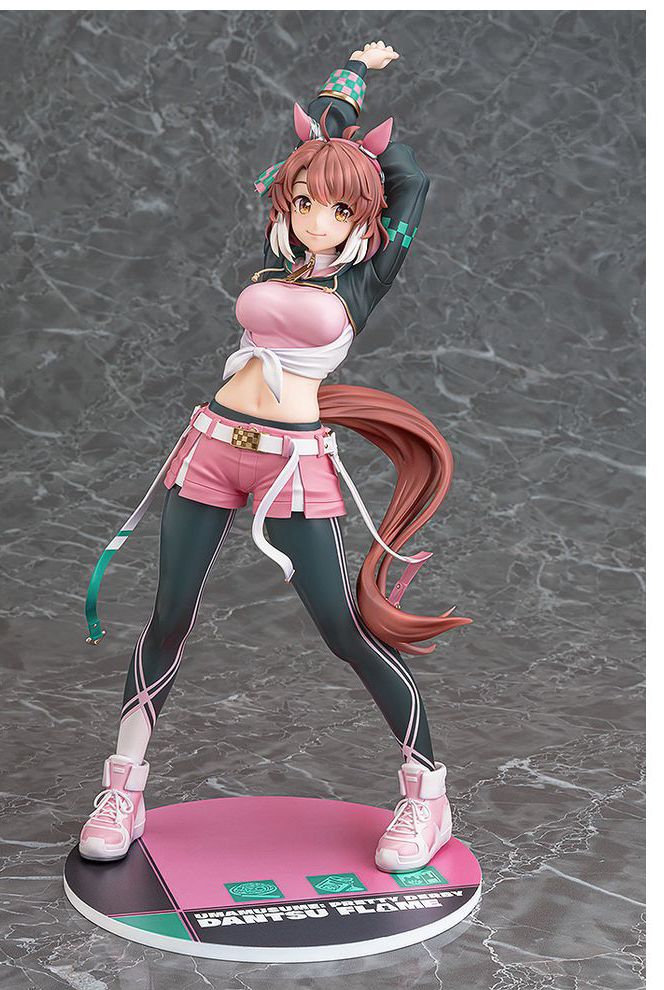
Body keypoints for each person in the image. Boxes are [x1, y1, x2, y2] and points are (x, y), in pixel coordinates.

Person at [78, 42, 471, 874]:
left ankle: (427, 794)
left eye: (337, 208)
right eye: (303, 201)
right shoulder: (277, 258)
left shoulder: (366, 277)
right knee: (169, 615)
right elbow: (309, 146)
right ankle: (123, 789)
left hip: (293, 464)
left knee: (342, 630)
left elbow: (411, 178)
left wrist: (357, 133)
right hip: (214, 446)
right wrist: (342, 93)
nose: (316, 219)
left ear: (363, 217)